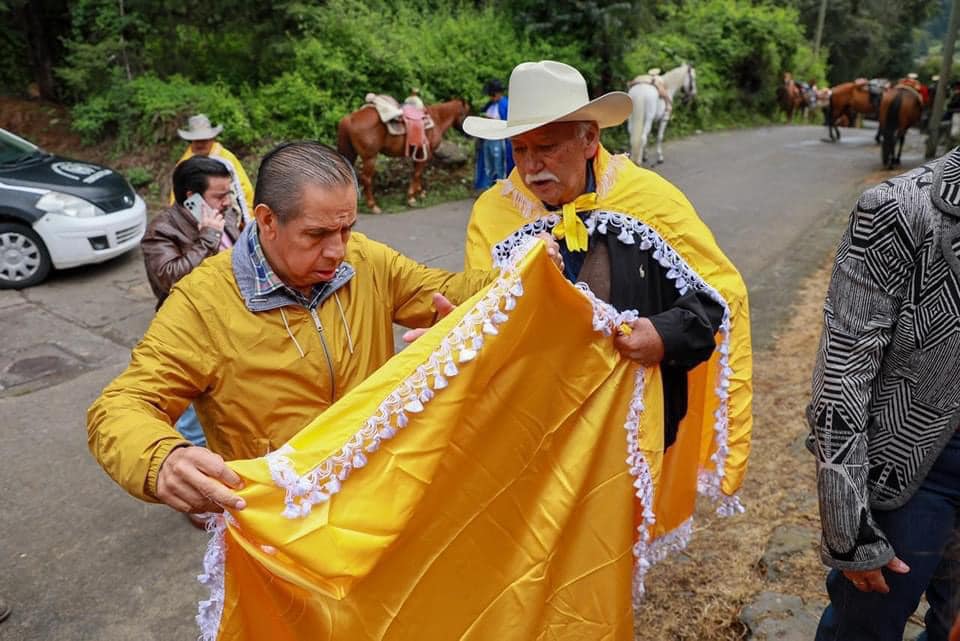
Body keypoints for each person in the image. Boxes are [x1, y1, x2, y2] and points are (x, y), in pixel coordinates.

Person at [87, 141, 562, 519]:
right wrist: (161, 459)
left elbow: (447, 291)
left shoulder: (366, 261)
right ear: (267, 220)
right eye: (316, 235)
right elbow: (120, 407)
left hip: (380, 491)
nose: (337, 251)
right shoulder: (203, 302)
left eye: (347, 229)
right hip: (284, 517)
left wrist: (517, 275)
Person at [463, 60, 753, 543]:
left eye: (548, 148)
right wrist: (524, 290)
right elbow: (479, 315)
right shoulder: (494, 214)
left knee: (610, 553)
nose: (531, 167)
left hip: (633, 428)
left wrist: (665, 335)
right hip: (537, 426)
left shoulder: (650, 198)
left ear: (589, 140)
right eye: (520, 149)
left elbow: (719, 298)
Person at [808, 146, 960, 640]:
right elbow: (841, 380)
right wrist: (848, 532)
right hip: (915, 478)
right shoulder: (900, 209)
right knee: (864, 630)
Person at [141, 156, 242, 472]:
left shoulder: (226, 213)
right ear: (191, 196)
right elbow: (169, 279)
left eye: (229, 193)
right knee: (191, 415)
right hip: (192, 331)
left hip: (232, 322)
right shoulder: (162, 229)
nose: (227, 202)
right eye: (219, 195)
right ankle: (197, 486)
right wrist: (208, 238)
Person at [170, 114, 254, 223]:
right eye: (196, 140)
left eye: (204, 139)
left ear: (212, 139)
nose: (200, 144)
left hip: (230, 218)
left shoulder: (227, 159)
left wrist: (247, 221)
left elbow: (244, 191)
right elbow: (176, 199)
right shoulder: (184, 164)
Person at [473, 79, 514, 191]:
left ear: (499, 93)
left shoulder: (506, 104)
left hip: (500, 140)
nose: (491, 97)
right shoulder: (489, 105)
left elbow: (508, 121)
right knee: (488, 165)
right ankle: (488, 186)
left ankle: (502, 186)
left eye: (493, 94)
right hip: (488, 139)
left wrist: (493, 120)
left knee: (500, 165)